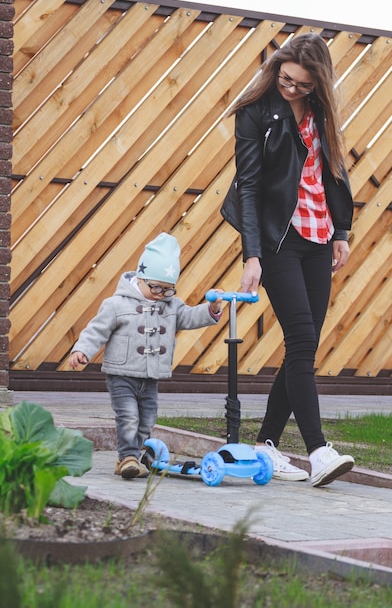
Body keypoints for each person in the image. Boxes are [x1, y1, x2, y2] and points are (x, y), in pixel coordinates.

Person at [221, 33, 355, 487]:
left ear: (318, 83)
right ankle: (318, 451)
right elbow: (251, 186)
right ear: (276, 70)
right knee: (301, 338)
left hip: (318, 237)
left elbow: (332, 171)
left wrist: (341, 231)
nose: (291, 88)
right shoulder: (254, 112)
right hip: (277, 240)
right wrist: (252, 255)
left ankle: (265, 446)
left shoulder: (321, 113)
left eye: (301, 83)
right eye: (286, 79)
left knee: (304, 344)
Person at [69, 232, 223, 479]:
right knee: (128, 416)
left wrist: (212, 309)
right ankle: (128, 456)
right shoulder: (117, 304)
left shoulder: (171, 306)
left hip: (150, 376)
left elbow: (192, 317)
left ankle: (133, 455)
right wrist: (81, 350)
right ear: (140, 278)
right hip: (122, 375)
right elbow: (96, 329)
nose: (161, 294)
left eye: (168, 290)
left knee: (147, 420)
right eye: (156, 288)